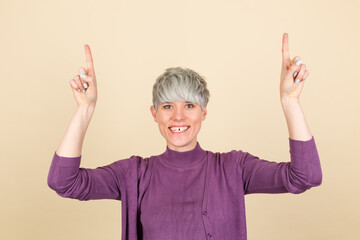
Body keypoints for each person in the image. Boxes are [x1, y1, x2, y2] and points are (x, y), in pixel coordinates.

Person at [48, 33, 322, 240]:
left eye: (189, 106)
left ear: (203, 113)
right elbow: (64, 182)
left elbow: (305, 176)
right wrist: (85, 110)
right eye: (168, 106)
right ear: (154, 113)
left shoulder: (233, 168)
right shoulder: (134, 174)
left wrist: (290, 101)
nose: (178, 117)